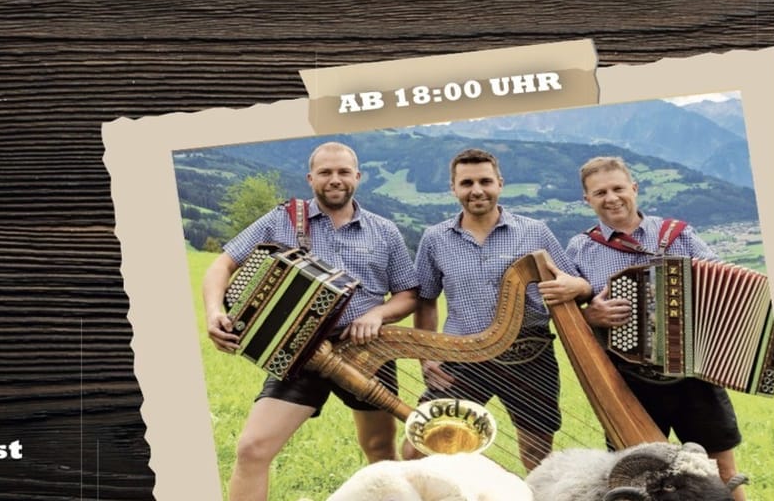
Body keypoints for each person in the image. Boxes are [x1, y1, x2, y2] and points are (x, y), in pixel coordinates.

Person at [202, 141, 420, 501]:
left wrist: (377, 314)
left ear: (357, 177)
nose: (335, 179)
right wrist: (214, 312)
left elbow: (408, 294)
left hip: (367, 351)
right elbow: (221, 265)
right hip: (297, 349)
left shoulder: (384, 231)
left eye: (343, 172)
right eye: (325, 172)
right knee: (252, 450)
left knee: (380, 451)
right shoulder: (281, 219)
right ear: (310, 178)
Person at [564, 156, 746, 501]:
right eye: (600, 192)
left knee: (720, 468)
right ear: (587, 199)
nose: (611, 198)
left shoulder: (678, 235)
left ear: (634, 188)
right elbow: (570, 313)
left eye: (618, 188)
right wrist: (591, 316)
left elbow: (725, 282)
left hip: (693, 373)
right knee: (636, 476)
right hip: (628, 380)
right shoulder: (581, 248)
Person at [403, 148, 590, 472]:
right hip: (461, 355)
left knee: (536, 457)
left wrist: (581, 287)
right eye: (467, 183)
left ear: (499, 183)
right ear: (453, 188)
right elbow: (426, 299)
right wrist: (427, 356)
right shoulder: (435, 238)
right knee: (416, 450)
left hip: (529, 354)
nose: (477, 190)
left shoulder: (535, 231)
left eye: (485, 181)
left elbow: (573, 283)